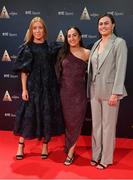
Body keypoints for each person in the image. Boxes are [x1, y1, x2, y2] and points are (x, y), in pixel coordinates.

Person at [13, 17, 64, 160]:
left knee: (46, 115)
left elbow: (68, 49)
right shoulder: (27, 48)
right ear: (31, 30)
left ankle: (45, 145)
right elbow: (24, 71)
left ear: (44, 30)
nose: (37, 31)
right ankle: (20, 146)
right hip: (33, 87)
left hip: (48, 87)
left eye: (40, 27)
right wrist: (24, 89)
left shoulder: (51, 48)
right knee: (27, 116)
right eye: (34, 28)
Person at [87, 14, 127, 169]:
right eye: (100, 24)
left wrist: (115, 93)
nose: (103, 26)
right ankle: (96, 155)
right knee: (96, 126)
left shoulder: (119, 43)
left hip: (110, 92)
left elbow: (120, 69)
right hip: (94, 90)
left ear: (113, 25)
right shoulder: (96, 43)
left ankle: (105, 159)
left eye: (106, 23)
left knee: (108, 126)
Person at [56, 26, 90, 165]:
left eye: (74, 35)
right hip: (64, 95)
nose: (72, 38)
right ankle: (69, 146)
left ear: (80, 37)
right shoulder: (62, 53)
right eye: (69, 36)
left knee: (75, 124)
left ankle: (70, 152)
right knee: (68, 124)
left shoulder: (87, 53)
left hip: (79, 96)